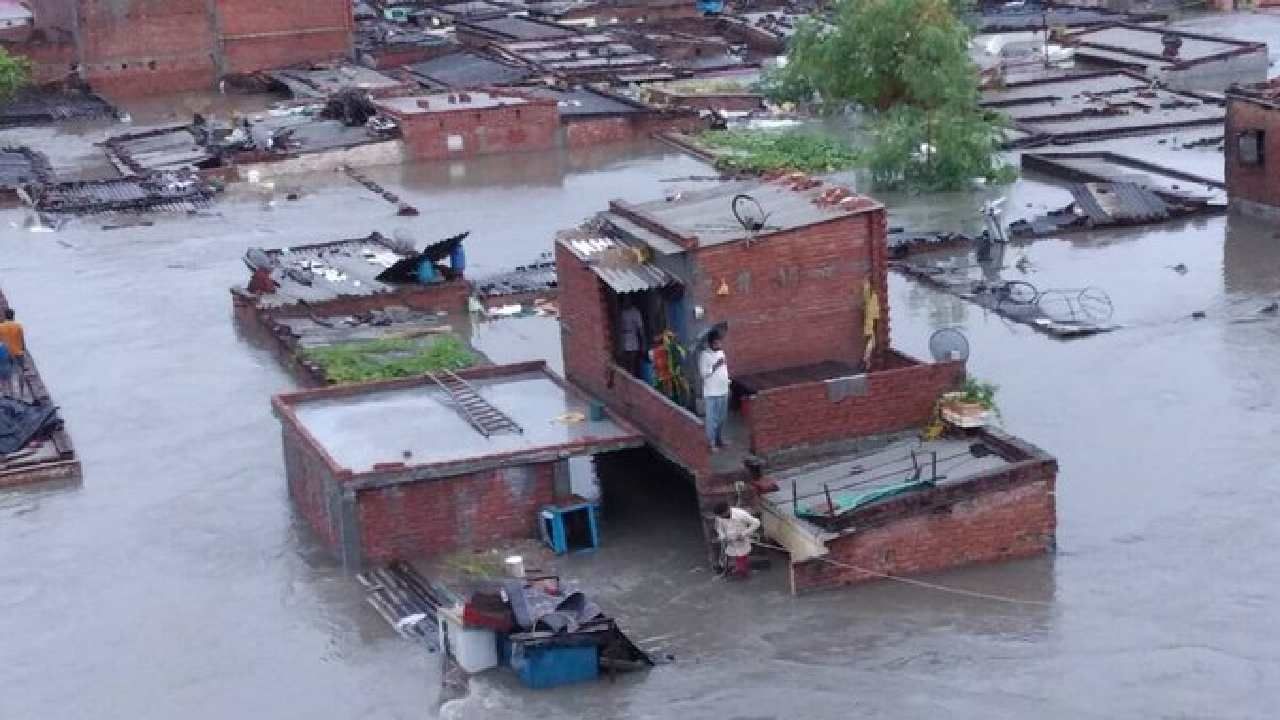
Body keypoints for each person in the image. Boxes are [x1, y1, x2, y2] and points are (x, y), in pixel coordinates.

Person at [699, 331, 729, 450]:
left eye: (720, 342)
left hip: (724, 390)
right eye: (716, 342)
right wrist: (715, 366)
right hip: (711, 393)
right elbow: (703, 374)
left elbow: (724, 369)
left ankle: (719, 439)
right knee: (712, 420)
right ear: (711, 343)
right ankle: (711, 443)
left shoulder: (722, 352)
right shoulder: (704, 355)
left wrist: (727, 381)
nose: (719, 344)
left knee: (722, 418)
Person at [714, 502, 760, 579]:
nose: (721, 518)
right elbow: (719, 528)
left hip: (742, 540)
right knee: (734, 555)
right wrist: (722, 536)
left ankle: (743, 571)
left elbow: (756, 523)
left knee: (742, 555)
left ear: (727, 510)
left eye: (723, 515)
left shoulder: (740, 514)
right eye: (720, 516)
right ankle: (738, 569)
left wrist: (743, 534)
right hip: (730, 541)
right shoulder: (719, 517)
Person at [0, 309, 24, 398]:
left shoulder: (1, 326)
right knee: (20, 372)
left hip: (6, 353)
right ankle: (21, 393)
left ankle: (10, 394)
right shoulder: (18, 326)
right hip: (18, 352)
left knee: (7, 373)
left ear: (5, 316)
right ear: (13, 316)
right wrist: (23, 350)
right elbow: (22, 340)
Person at [619, 301, 645, 376]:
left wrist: (643, 343)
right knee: (625, 360)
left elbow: (640, 328)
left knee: (632, 361)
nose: (625, 302)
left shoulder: (635, 312)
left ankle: (633, 376)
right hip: (623, 336)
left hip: (632, 337)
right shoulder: (621, 312)